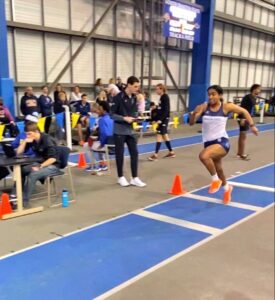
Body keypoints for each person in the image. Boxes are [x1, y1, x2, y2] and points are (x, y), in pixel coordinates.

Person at [189, 85, 258, 204]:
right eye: (209, 94)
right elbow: (191, 123)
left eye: (213, 94)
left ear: (220, 95)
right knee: (219, 169)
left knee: (204, 156)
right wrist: (193, 113)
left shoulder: (226, 107)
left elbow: (244, 111)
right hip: (208, 143)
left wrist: (252, 126)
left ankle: (215, 180)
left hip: (222, 142)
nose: (211, 96)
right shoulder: (204, 107)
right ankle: (227, 188)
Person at [111, 76, 146, 187]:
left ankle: (134, 178)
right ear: (129, 85)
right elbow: (111, 115)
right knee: (120, 154)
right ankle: (120, 177)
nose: (137, 88)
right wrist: (124, 118)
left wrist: (136, 117)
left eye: (138, 86)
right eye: (135, 86)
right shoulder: (118, 97)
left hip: (130, 130)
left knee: (134, 153)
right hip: (119, 130)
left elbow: (134, 112)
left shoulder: (134, 98)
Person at [16, 122, 60, 207]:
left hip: (53, 165)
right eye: (26, 134)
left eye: (29, 134)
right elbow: (18, 152)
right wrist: (25, 141)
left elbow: (53, 158)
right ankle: (16, 194)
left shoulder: (47, 139)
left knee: (33, 175)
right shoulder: (33, 140)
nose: (28, 136)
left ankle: (24, 202)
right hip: (40, 163)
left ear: (36, 131)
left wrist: (40, 166)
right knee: (22, 170)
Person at [148, 84, 175, 161]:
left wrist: (161, 120)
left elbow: (166, 110)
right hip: (162, 119)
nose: (156, 91)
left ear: (161, 89)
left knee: (159, 135)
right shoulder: (161, 97)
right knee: (164, 136)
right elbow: (160, 110)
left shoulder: (165, 97)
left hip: (164, 120)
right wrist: (155, 119)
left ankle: (155, 154)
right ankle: (171, 152)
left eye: (157, 89)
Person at [84, 101, 113, 173]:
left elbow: (104, 134)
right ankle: (103, 164)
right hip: (115, 145)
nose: (97, 111)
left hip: (107, 146)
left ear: (103, 110)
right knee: (98, 141)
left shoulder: (102, 120)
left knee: (86, 145)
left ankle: (95, 166)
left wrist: (102, 144)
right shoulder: (112, 117)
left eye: (99, 109)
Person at [237, 84, 261, 160]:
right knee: (243, 137)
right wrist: (242, 119)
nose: (259, 91)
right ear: (254, 89)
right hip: (243, 118)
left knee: (242, 136)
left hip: (247, 118)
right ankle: (242, 154)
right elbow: (242, 108)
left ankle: (239, 153)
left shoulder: (254, 98)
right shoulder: (248, 97)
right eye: (258, 89)